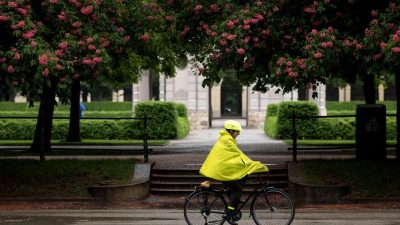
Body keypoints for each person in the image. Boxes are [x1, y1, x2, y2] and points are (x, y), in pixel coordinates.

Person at [199, 120, 269, 225]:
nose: (239, 133)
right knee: (238, 191)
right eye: (237, 131)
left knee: (242, 177)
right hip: (223, 172)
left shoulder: (226, 139)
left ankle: (234, 202)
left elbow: (237, 156)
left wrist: (250, 164)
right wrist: (254, 164)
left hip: (223, 170)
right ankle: (229, 213)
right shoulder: (227, 140)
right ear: (231, 131)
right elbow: (239, 155)